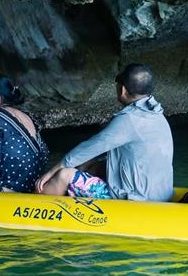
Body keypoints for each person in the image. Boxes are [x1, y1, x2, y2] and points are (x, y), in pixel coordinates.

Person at [36, 63, 173, 202]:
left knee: (64, 175)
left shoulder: (129, 119)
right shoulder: (156, 114)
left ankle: (34, 203)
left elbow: (91, 147)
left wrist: (53, 171)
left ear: (123, 90)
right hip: (160, 195)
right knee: (90, 165)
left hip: (137, 200)